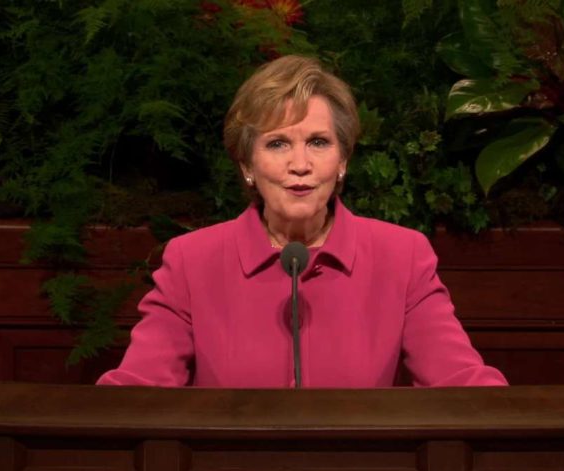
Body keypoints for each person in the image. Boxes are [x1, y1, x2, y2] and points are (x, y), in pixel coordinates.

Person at [97, 55, 507, 388]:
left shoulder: (401, 257)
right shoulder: (193, 261)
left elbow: (462, 383)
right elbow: (137, 390)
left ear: (343, 160)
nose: (300, 165)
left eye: (318, 142)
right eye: (277, 144)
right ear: (247, 166)